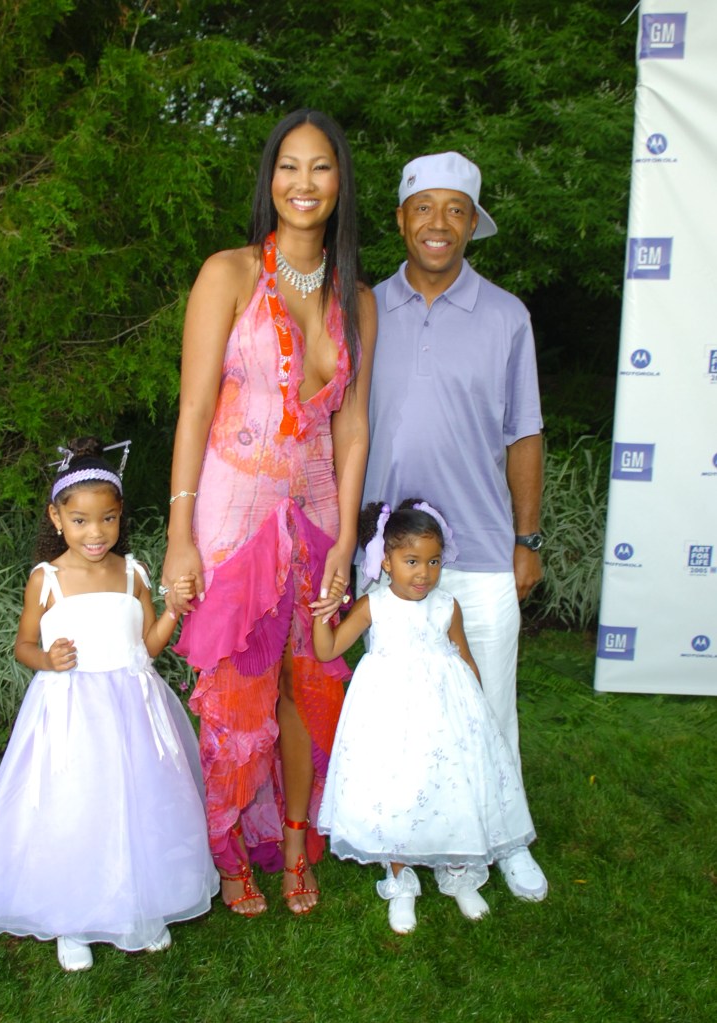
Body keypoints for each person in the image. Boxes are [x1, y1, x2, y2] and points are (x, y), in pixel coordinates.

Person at [161, 109, 376, 917]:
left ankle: (292, 843)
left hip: (319, 513)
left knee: (306, 682)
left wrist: (348, 538)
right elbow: (191, 409)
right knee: (238, 687)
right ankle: (225, 851)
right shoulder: (229, 274)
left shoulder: (356, 298)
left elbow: (352, 425)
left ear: (341, 184)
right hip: (234, 514)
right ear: (270, 178)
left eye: (321, 168)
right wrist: (181, 533)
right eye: (290, 166)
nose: (304, 183)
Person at [361, 151, 548, 901]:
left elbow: (525, 434)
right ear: (402, 219)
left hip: (477, 551)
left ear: (473, 224)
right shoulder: (367, 309)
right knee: (405, 718)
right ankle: (406, 841)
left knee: (488, 705)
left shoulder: (506, 316)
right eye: (424, 207)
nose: (439, 223)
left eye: (456, 210)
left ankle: (507, 841)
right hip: (388, 561)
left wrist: (526, 540)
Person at [0, 438, 218, 972]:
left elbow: (145, 647)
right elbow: (22, 645)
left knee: (139, 803)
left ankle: (142, 907)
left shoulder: (133, 574)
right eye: (80, 520)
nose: (95, 533)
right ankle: (70, 919)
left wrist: (173, 612)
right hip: (73, 713)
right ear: (57, 519)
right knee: (75, 807)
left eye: (107, 519)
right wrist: (46, 658)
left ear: (120, 517)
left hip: (132, 707)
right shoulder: (46, 580)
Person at [315, 500, 537, 932]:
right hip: (390, 718)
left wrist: (476, 717)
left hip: (445, 716)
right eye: (412, 561)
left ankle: (458, 872)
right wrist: (324, 615)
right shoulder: (372, 604)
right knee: (398, 789)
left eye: (433, 562)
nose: (424, 573)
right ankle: (401, 879)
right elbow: (328, 650)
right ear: (386, 560)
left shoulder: (447, 605)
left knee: (450, 784)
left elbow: (466, 660)